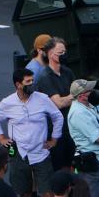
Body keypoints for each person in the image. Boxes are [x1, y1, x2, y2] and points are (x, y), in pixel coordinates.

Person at [0, 67, 63, 197]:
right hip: (19, 153)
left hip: (41, 153)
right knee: (24, 194)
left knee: (47, 194)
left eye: (32, 80)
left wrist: (54, 139)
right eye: (28, 81)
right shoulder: (7, 102)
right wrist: (1, 138)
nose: (32, 84)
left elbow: (57, 116)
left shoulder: (42, 98)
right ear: (18, 84)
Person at [34, 37, 75, 168]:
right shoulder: (44, 77)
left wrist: (72, 97)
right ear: (51, 55)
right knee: (58, 167)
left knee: (71, 165)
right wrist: (76, 95)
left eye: (65, 52)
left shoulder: (67, 72)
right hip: (55, 132)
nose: (64, 55)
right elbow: (59, 103)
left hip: (71, 128)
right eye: (60, 53)